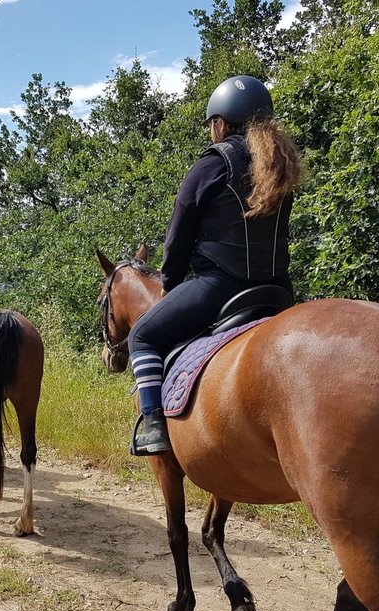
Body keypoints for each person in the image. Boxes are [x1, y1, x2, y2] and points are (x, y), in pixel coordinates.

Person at [128, 75, 304, 455]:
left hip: (221, 286)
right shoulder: (279, 164)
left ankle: (154, 424)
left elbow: (180, 228)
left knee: (141, 335)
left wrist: (170, 280)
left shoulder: (215, 161)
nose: (212, 130)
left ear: (221, 123)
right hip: (277, 290)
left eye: (212, 123)